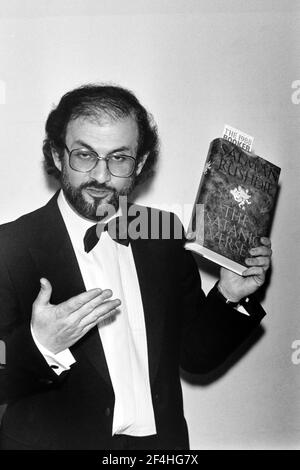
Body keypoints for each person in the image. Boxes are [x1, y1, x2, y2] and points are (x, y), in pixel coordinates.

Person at [0, 84, 271, 450]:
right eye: (84, 155)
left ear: (139, 163)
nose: (100, 175)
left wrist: (229, 296)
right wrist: (42, 345)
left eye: (118, 158)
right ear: (58, 155)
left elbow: (195, 358)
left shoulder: (163, 232)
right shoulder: (9, 246)